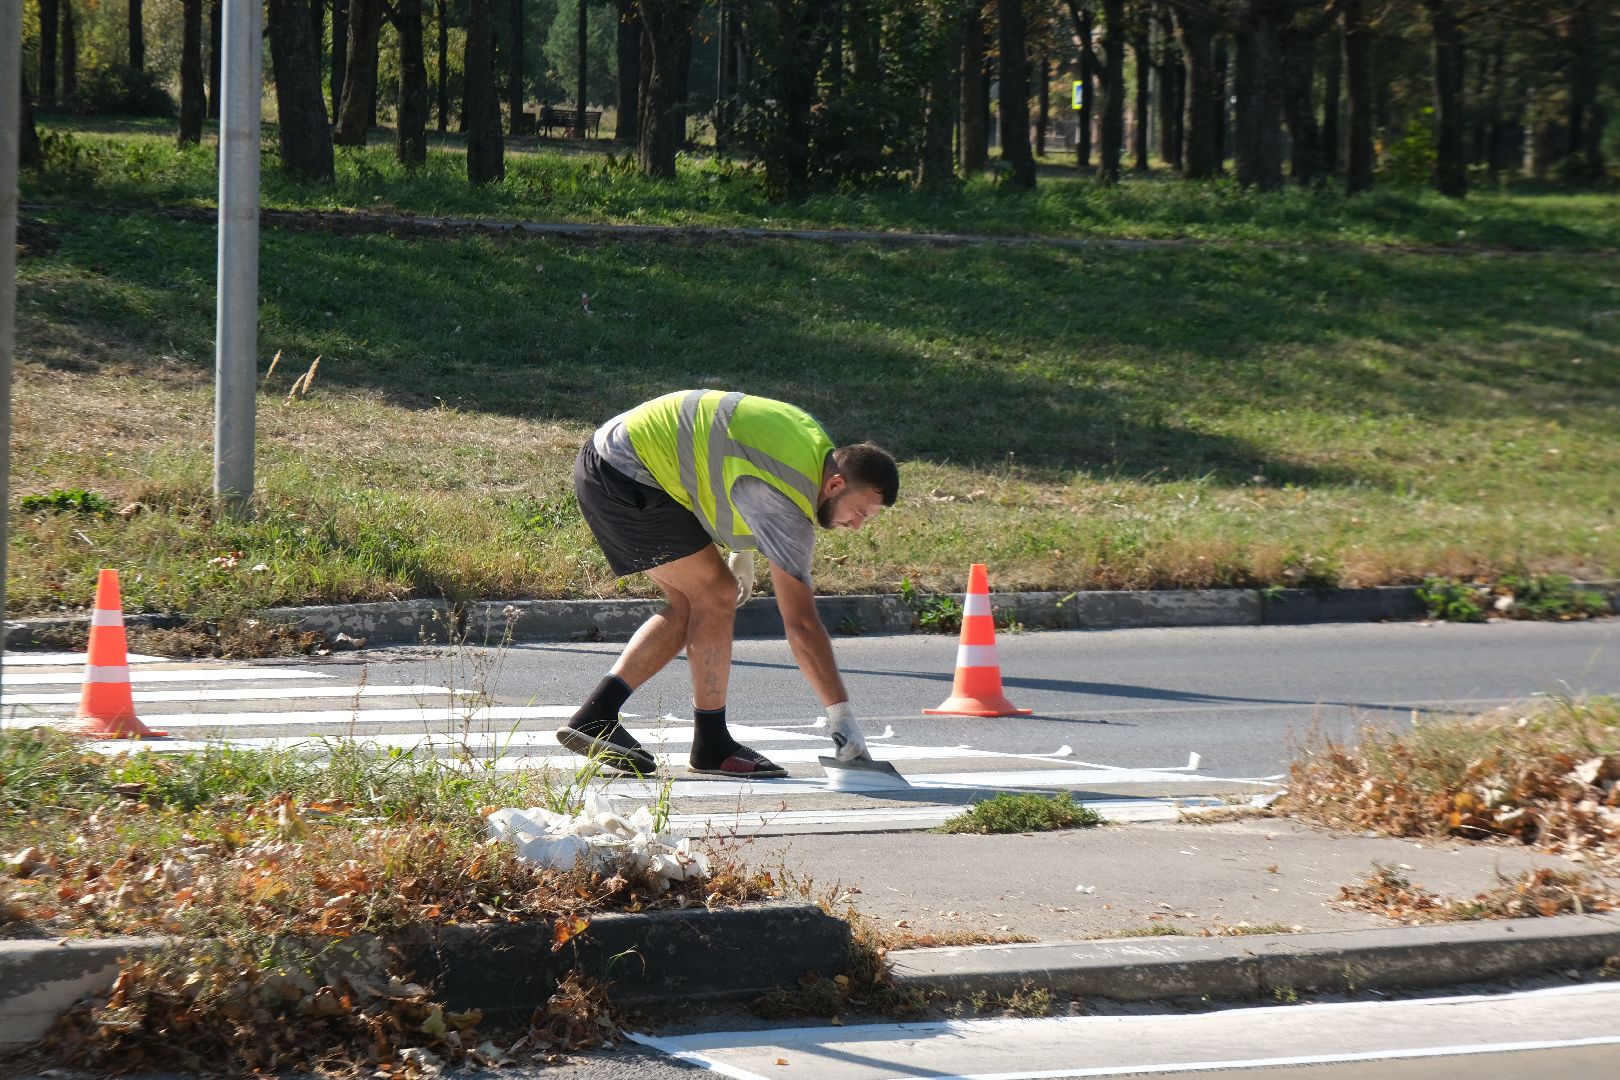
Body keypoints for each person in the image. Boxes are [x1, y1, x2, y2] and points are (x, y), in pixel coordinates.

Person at [557, 389, 900, 778]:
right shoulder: (787, 502)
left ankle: (598, 716)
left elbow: (735, 460)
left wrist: (743, 548)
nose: (856, 526)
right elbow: (802, 624)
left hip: (619, 456)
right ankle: (710, 745)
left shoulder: (814, 443)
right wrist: (842, 720)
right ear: (835, 485)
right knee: (716, 594)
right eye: (858, 512)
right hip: (624, 471)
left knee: (695, 603)